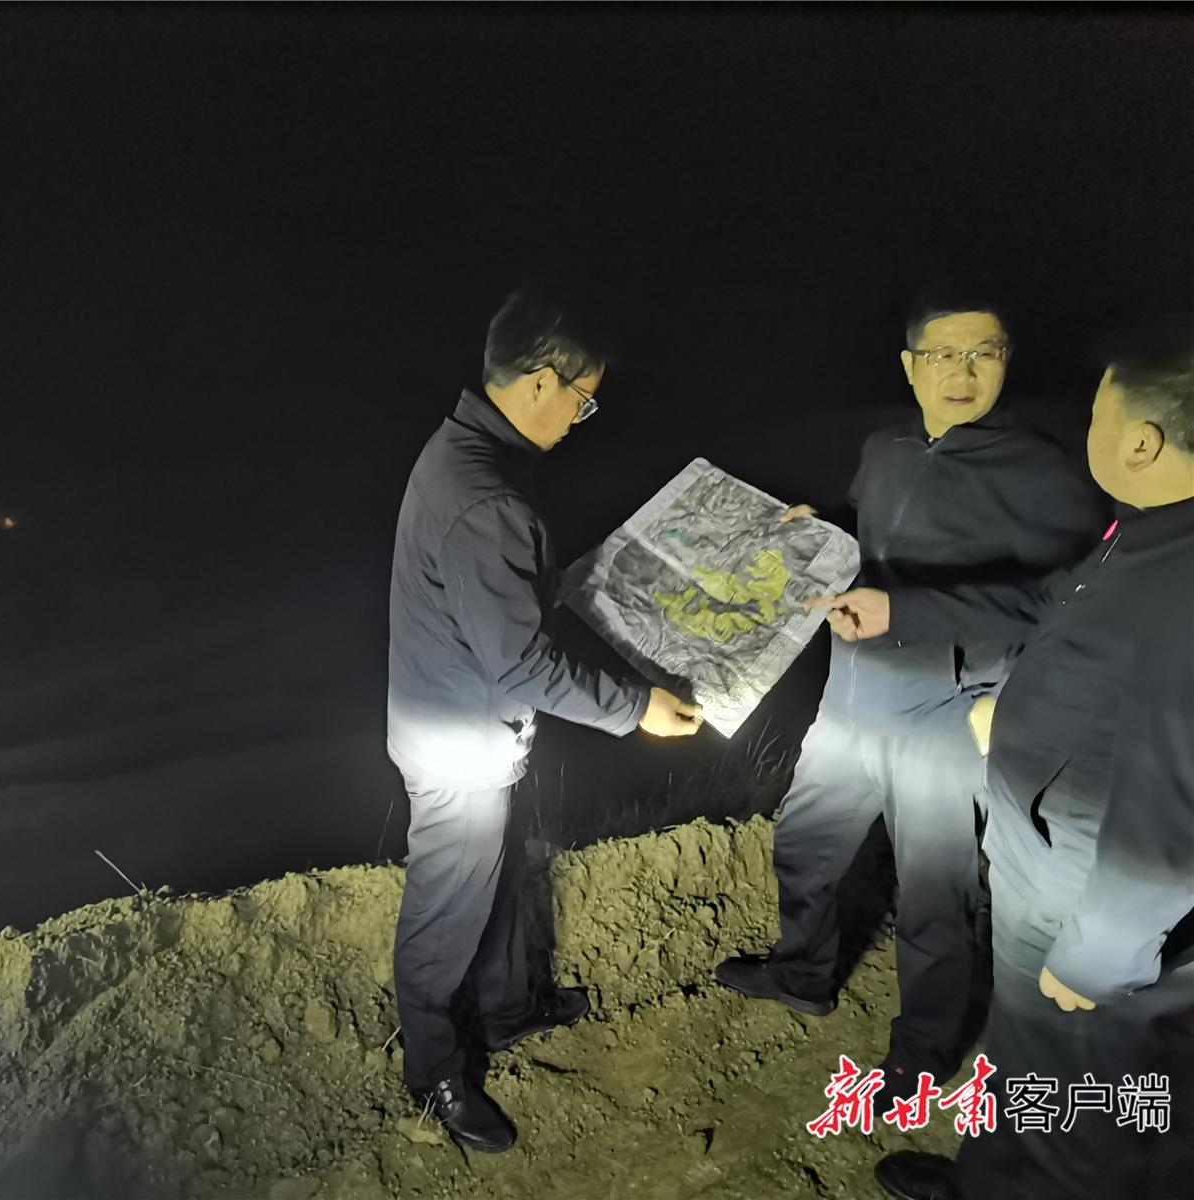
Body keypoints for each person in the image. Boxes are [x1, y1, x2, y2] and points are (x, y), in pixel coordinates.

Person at [811, 321, 1194, 1200]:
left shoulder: (1184, 583)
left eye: (1098, 415)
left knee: (1081, 1106)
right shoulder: (1146, 534)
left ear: (1140, 443)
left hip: (1086, 895)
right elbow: (1046, 606)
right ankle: (985, 1180)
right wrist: (903, 613)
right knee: (1027, 1066)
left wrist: (1101, 955)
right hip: (1045, 855)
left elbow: (1174, 817)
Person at [715, 294, 1104, 1115]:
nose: (963, 371)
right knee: (803, 845)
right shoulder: (886, 447)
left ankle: (921, 1053)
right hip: (852, 693)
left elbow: (1061, 604)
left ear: (1006, 360)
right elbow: (879, 533)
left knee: (935, 896)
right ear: (909, 365)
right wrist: (822, 528)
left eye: (984, 352)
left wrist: (910, 611)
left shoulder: (1043, 473)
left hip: (947, 709)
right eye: (943, 354)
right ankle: (803, 972)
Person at [385, 286, 703, 1152]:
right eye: (582, 398)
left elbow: (490, 602)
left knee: (494, 879)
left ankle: (507, 1007)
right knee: (445, 911)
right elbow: (521, 663)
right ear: (538, 382)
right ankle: (433, 1074)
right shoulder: (486, 498)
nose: (582, 418)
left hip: (462, 717)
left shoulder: (462, 454)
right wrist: (637, 707)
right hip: (459, 743)